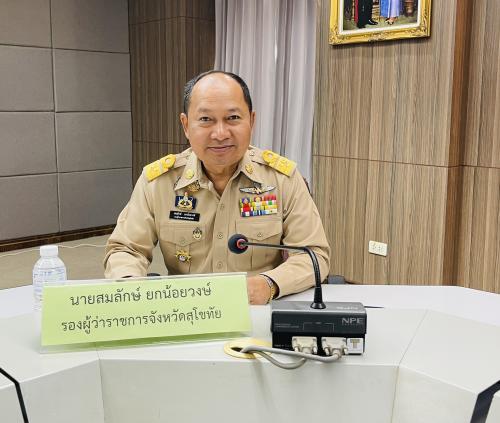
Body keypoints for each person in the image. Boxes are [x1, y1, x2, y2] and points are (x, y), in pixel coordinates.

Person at [104, 71, 330, 305]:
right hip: (185, 310)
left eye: (233, 118)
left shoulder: (282, 180)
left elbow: (314, 255)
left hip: (258, 309)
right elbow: (126, 249)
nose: (220, 134)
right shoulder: (158, 183)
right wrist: (131, 286)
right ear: (186, 125)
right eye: (206, 119)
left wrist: (269, 284)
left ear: (251, 121)